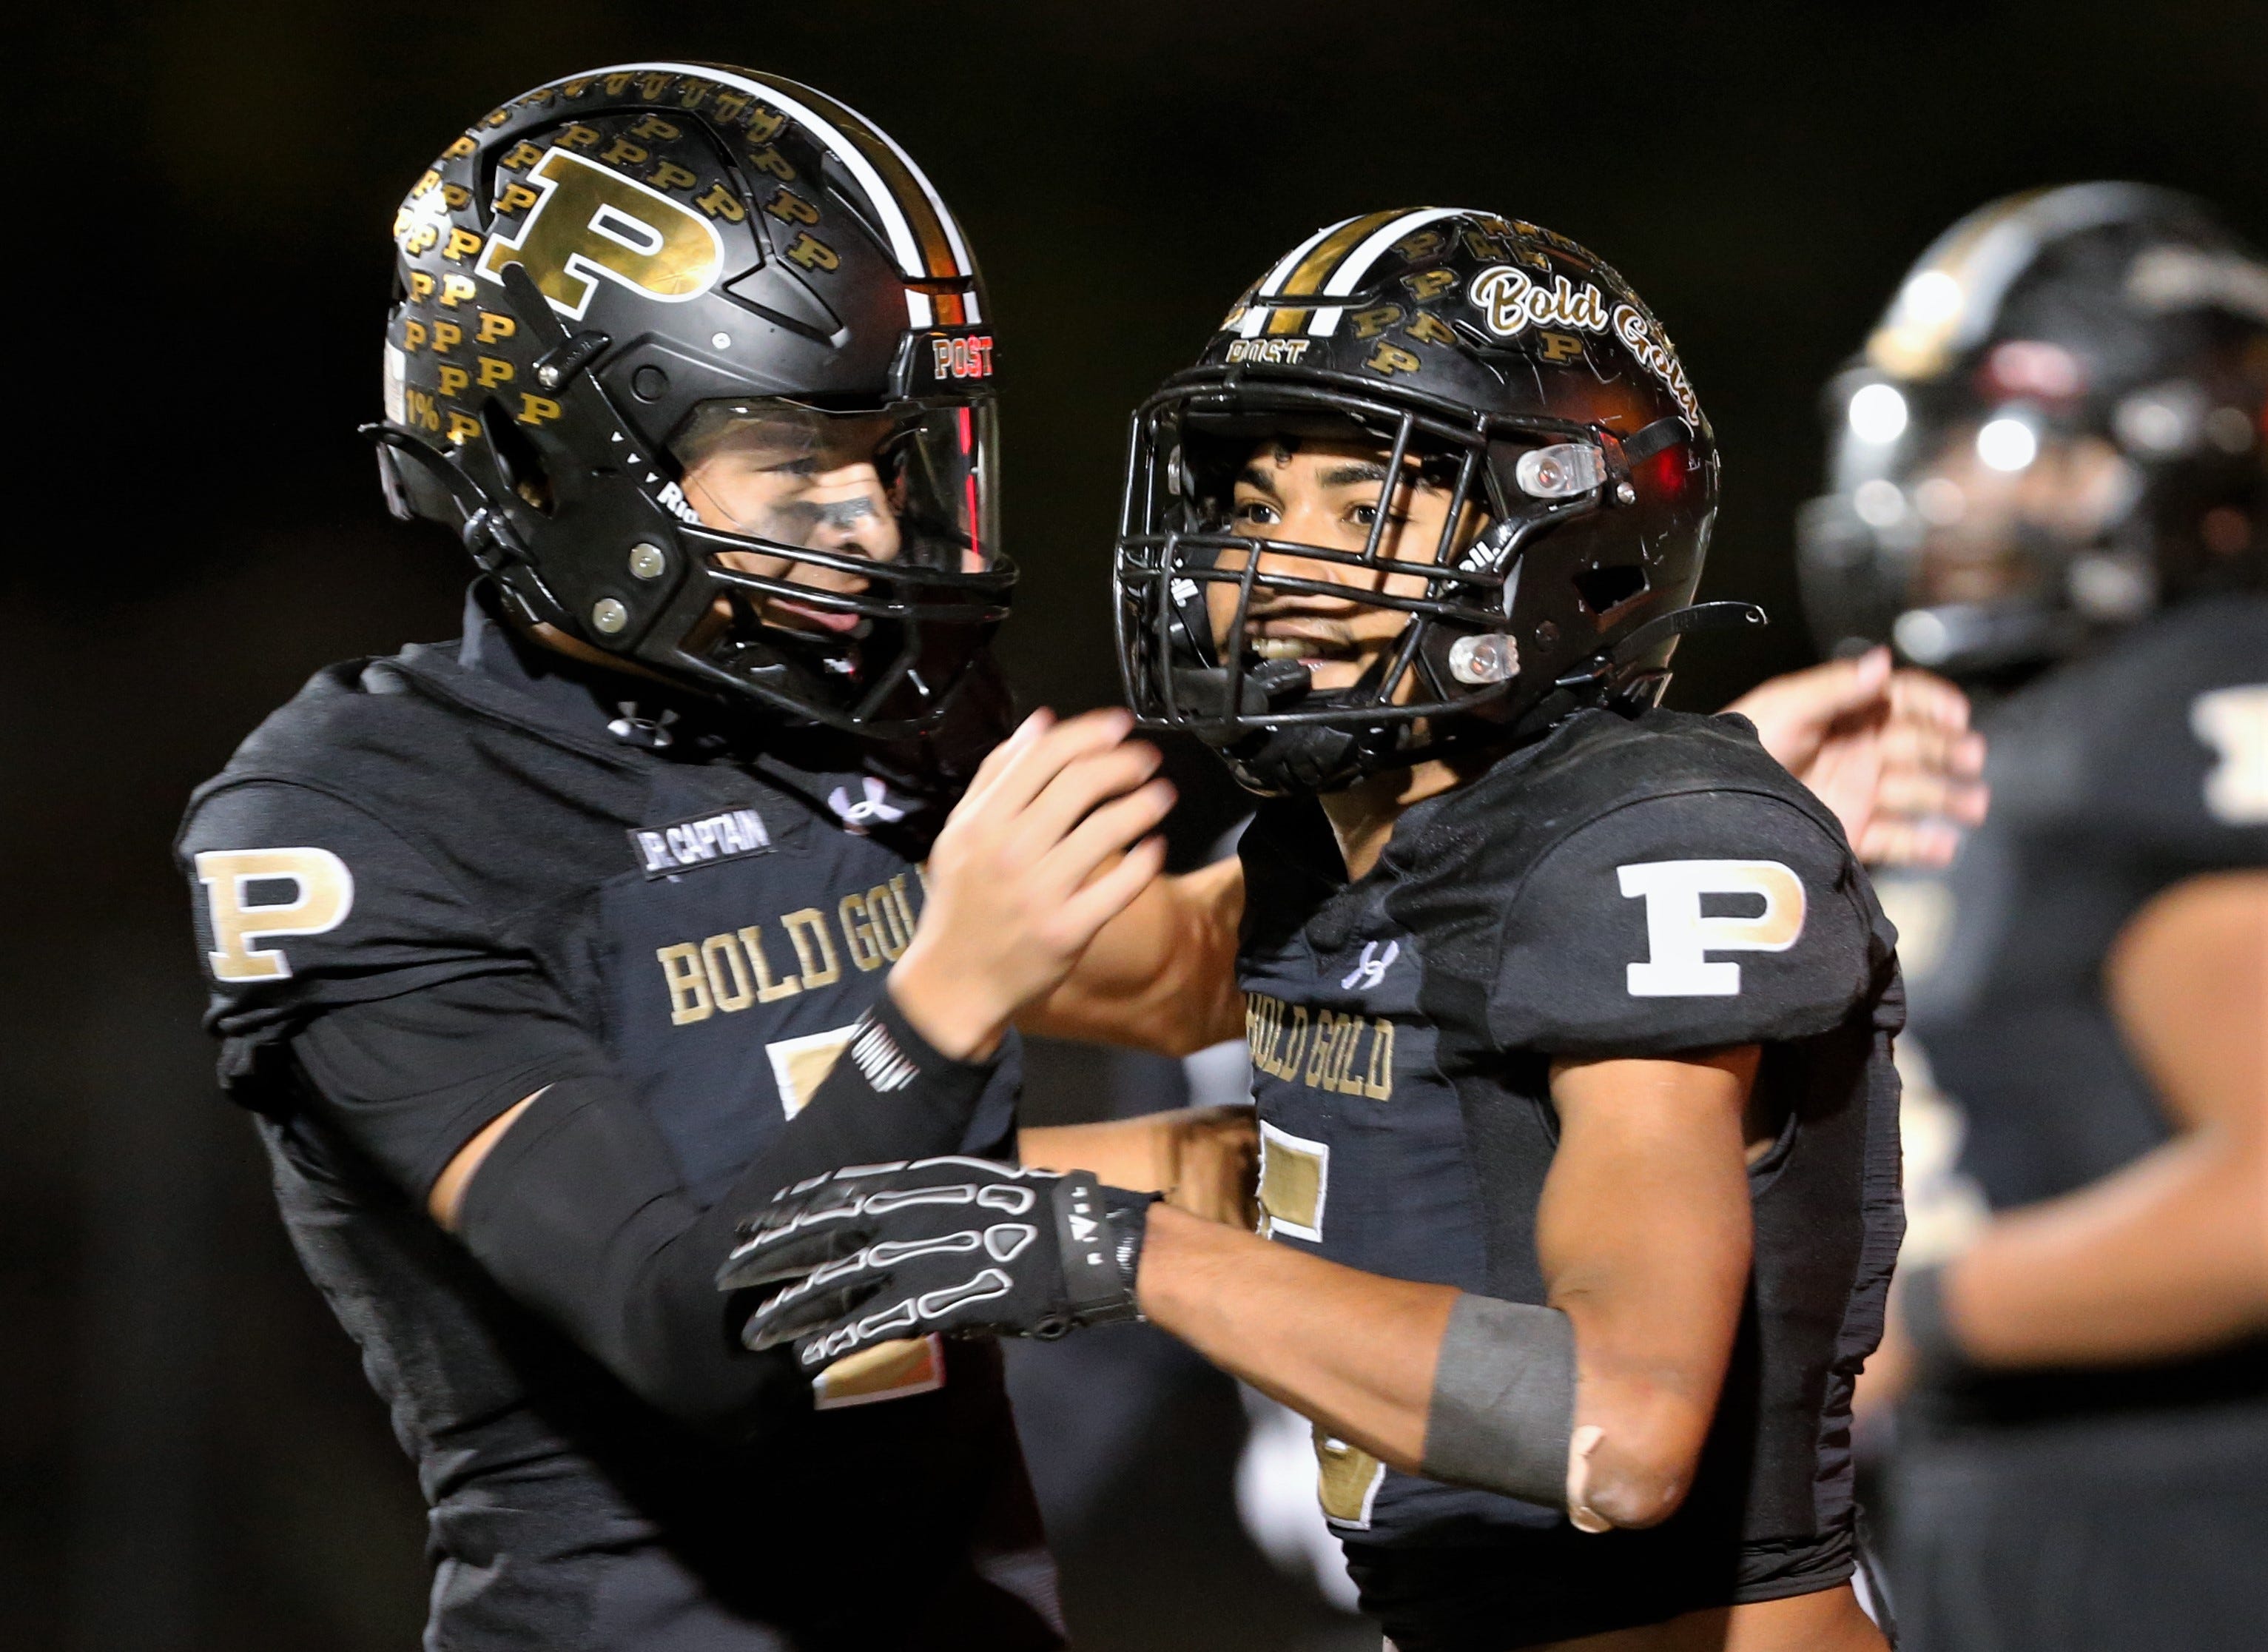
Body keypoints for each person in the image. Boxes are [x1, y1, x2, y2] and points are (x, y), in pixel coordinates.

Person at [181, 74, 1974, 1642]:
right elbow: (706, 1315)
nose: (869, 523)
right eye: (791, 462)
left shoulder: (860, 707)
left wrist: (1580, 797)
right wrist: (972, 1025)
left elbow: (1215, 975)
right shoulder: (353, 824)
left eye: (885, 455)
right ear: (562, 456)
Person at [724, 208, 1921, 1652]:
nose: (1268, 562)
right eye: (1250, 504)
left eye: (1359, 508)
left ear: (1567, 541)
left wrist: (1120, 1251)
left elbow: (1619, 1425)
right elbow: (1158, 983)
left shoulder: (1641, 846)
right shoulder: (1351, 841)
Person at [1799, 182, 2268, 1652]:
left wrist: (1915, 1322)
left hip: (2187, 1511)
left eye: (2016, 448)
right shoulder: (2031, 728)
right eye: (1931, 446)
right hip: (2010, 1505)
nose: (1954, 496)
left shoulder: (2183, 711)